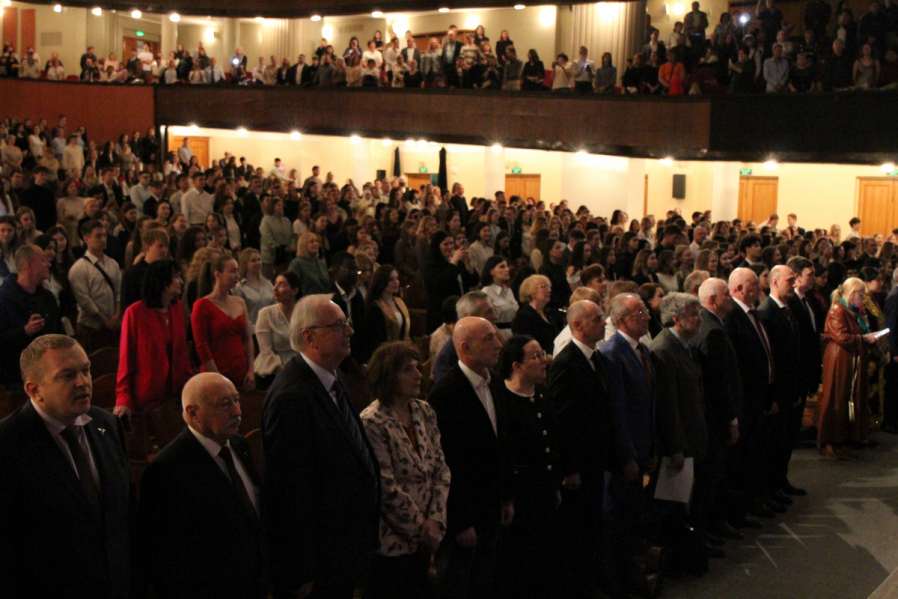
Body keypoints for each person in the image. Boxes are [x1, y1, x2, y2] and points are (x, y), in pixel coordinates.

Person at [262, 294, 380, 599]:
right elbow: (289, 491)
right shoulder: (292, 397)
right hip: (320, 561)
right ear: (309, 337)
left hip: (344, 548)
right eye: (338, 325)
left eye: (346, 323)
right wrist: (302, 567)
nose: (350, 331)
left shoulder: (332, 376)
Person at [0, 335, 132, 597]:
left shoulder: (106, 424)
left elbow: (125, 517)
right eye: (67, 375)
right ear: (34, 390)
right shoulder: (8, 444)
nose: (83, 382)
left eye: (86, 370)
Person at [138, 372, 265, 598]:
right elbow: (166, 560)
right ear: (193, 413)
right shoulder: (166, 469)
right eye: (224, 404)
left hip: (252, 583)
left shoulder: (238, 444)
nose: (237, 411)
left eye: (236, 400)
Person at [428, 316, 512, 599]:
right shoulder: (446, 393)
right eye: (489, 339)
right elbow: (446, 463)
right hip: (464, 518)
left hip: (491, 508)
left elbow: (502, 445)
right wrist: (460, 521)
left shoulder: (495, 381)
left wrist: (507, 497)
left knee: (483, 585)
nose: (498, 344)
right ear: (465, 347)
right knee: (457, 586)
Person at [360, 342, 450, 599]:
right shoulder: (372, 420)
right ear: (388, 376)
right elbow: (385, 487)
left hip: (428, 535)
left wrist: (436, 519)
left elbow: (441, 469)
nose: (419, 374)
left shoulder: (424, 410)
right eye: (408, 370)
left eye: (417, 367)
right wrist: (422, 530)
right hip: (391, 542)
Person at [547, 300, 614, 598]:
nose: (604, 323)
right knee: (577, 530)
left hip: (595, 459)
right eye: (597, 319)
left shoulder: (596, 358)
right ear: (577, 325)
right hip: (579, 465)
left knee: (592, 526)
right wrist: (570, 467)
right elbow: (562, 421)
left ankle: (590, 583)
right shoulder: (566, 363)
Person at [650, 293, 717, 541]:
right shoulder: (664, 349)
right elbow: (668, 405)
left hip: (692, 437)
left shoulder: (683, 344)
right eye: (693, 315)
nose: (699, 319)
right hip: (680, 444)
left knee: (685, 503)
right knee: (672, 508)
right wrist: (676, 448)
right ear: (676, 318)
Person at [600, 293, 655, 547]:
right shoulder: (613, 353)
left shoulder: (641, 349)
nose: (647, 317)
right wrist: (627, 456)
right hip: (626, 455)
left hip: (642, 446)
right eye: (640, 313)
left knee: (632, 514)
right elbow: (617, 411)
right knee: (617, 517)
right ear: (621, 320)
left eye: (646, 311)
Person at [724, 268, 779, 518]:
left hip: (760, 398)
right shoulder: (732, 317)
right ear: (738, 289)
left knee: (757, 454)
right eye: (753, 284)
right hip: (746, 400)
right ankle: (741, 507)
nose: (759, 288)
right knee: (743, 458)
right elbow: (738, 365)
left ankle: (756, 497)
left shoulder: (753, 313)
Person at [692, 278, 744, 538]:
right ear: (713, 299)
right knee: (711, 478)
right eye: (726, 294)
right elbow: (718, 382)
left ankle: (708, 526)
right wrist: (731, 420)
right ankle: (707, 528)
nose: (731, 298)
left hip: (710, 418)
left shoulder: (707, 323)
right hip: (715, 420)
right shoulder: (712, 330)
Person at [115, 259, 192, 419]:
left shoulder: (177, 308)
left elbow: (182, 353)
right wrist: (123, 398)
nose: (181, 281)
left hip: (176, 394)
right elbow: (126, 358)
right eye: (176, 276)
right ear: (161, 281)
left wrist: (189, 387)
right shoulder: (135, 312)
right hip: (147, 395)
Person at [818, 277, 879, 459]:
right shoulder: (837, 310)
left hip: (850, 358)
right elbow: (842, 337)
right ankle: (832, 441)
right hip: (840, 359)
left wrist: (867, 338)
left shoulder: (852, 310)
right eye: (860, 295)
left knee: (848, 398)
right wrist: (864, 339)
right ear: (851, 294)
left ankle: (845, 439)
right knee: (838, 397)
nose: (862, 299)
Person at [0, 245, 61, 389]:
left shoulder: (47, 298)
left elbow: (59, 332)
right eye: (43, 260)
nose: (49, 264)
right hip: (16, 377)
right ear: (29, 265)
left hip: (50, 372)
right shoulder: (4, 298)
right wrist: (25, 331)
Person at [192, 255, 256, 392]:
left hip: (241, 371)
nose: (237, 275)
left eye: (238, 271)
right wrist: (218, 377)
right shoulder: (202, 305)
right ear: (218, 274)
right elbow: (202, 345)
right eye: (232, 271)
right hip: (215, 373)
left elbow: (247, 339)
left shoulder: (239, 302)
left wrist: (251, 370)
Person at [68, 220, 121, 352]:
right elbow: (84, 300)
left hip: (113, 324)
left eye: (104, 235)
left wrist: (117, 313)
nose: (103, 239)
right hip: (91, 327)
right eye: (98, 236)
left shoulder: (112, 263)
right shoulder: (79, 268)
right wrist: (104, 319)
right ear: (86, 239)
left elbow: (119, 290)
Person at [424, 230, 479, 333]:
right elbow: (441, 284)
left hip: (459, 309)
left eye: (451, 243)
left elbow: (473, 281)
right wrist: (453, 262)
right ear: (437, 246)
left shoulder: (457, 262)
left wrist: (468, 264)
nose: (450, 247)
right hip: (441, 313)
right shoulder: (431, 265)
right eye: (446, 244)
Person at [254, 271, 301, 388]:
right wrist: (287, 374)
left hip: (300, 366)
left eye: (282, 284)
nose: (275, 288)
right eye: (275, 284)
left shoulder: (303, 313)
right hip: (273, 370)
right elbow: (266, 351)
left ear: (294, 291)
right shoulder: (266, 314)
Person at [364, 265, 410, 362]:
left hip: (401, 353)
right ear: (381, 281)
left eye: (397, 278)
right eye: (391, 279)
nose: (396, 282)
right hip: (384, 357)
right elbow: (376, 339)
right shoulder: (374, 307)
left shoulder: (399, 302)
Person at [512, 274, 562, 356]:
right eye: (544, 286)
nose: (549, 290)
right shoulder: (523, 317)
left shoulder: (548, 314)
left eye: (549, 287)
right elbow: (525, 346)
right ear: (531, 292)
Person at [120, 229, 170, 309]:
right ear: (147, 247)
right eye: (160, 246)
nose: (165, 250)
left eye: (166, 246)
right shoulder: (133, 273)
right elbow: (129, 303)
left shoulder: (168, 271)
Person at [232, 248, 275, 335]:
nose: (258, 263)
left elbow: (275, 307)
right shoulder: (239, 288)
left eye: (259, 260)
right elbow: (241, 314)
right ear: (245, 264)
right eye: (253, 260)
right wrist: (258, 330)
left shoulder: (268, 284)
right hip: (252, 333)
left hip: (271, 330)